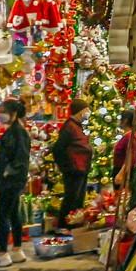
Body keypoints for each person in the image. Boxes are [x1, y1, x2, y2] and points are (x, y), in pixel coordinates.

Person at [0, 99, 33, 268]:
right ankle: (16, 249)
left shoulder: (18, 133)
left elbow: (20, 159)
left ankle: (3, 252)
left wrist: (6, 174)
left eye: (3, 111)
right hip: (12, 180)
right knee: (14, 213)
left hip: (11, 181)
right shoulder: (15, 132)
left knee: (3, 215)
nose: (0, 114)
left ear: (13, 114)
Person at [50, 98, 94, 228]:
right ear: (80, 112)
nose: (88, 113)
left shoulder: (78, 127)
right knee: (71, 198)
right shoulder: (69, 127)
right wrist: (67, 167)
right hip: (74, 170)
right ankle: (64, 226)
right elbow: (58, 149)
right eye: (86, 110)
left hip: (82, 169)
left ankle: (75, 224)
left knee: (78, 198)